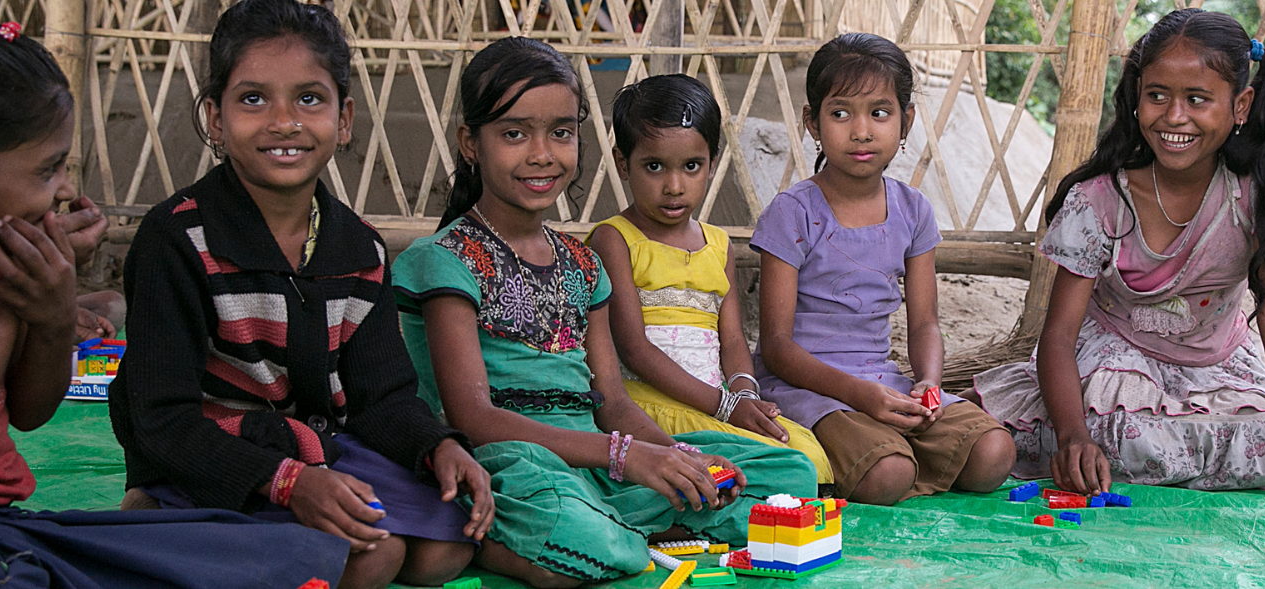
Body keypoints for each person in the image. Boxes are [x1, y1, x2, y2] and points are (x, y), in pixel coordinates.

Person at [0, 12, 347, 587]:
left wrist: (51, 311)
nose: (64, 191)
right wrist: (11, 306)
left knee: (272, 551)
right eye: (47, 170)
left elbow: (32, 411)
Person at [392, 37, 814, 589]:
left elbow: (611, 402)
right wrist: (627, 458)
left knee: (787, 473)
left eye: (561, 133)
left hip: (596, 461)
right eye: (515, 133)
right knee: (584, 534)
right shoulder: (442, 261)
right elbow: (474, 419)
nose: (542, 154)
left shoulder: (582, 263)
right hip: (513, 463)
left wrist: (676, 455)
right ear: (471, 143)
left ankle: (625, 525)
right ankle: (553, 536)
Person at [108, 1, 493, 588]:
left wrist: (438, 445)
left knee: (445, 550)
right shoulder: (178, 239)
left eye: (309, 99)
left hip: (316, 444)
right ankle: (162, 509)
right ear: (214, 117)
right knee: (372, 555)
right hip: (209, 448)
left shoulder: (359, 249)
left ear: (344, 119)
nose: (284, 122)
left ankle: (219, 538)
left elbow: (382, 396)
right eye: (253, 99)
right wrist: (289, 482)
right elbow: (161, 418)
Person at [972, 9, 1265, 500]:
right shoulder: (1102, 198)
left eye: (1197, 99)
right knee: (1116, 442)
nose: (1174, 117)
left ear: (1241, 106)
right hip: (1114, 362)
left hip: (1216, 362)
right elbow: (1060, 334)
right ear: (1137, 98)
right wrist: (1073, 436)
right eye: (1157, 96)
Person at [752, 32, 1014, 507]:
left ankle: (891, 444)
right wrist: (860, 396)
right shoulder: (791, 213)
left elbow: (926, 323)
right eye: (840, 113)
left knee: (995, 452)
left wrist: (929, 386)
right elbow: (776, 347)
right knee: (887, 474)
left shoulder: (913, 210)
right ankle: (881, 454)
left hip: (882, 381)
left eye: (879, 112)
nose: (861, 131)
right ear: (812, 122)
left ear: (905, 119)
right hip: (810, 387)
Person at [587, 73, 834, 488]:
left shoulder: (717, 244)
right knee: (771, 470)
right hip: (651, 406)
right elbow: (634, 348)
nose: (674, 186)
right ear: (622, 163)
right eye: (653, 166)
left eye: (691, 166)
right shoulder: (614, 240)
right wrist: (724, 407)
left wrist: (746, 396)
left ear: (712, 164)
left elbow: (733, 339)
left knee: (806, 453)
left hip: (718, 400)